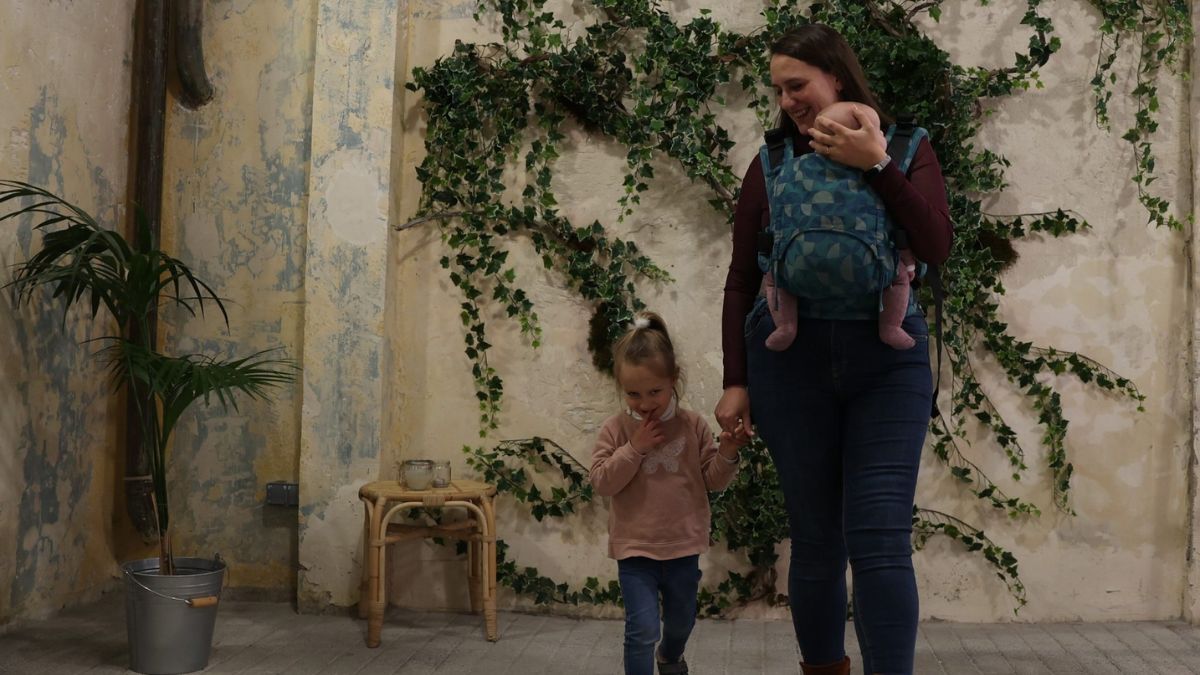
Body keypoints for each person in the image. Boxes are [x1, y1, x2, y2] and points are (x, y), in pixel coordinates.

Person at [715, 24, 953, 675]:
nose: (788, 100)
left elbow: (936, 244)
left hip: (888, 363)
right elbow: (741, 277)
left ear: (837, 76)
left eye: (797, 85)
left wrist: (875, 164)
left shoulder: (904, 146)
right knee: (816, 538)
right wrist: (736, 379)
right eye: (778, 90)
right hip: (788, 362)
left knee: (879, 537)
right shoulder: (771, 162)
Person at [590, 311, 747, 675]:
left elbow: (713, 480)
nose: (644, 403)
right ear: (620, 386)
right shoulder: (616, 429)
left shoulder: (692, 425)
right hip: (635, 549)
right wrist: (635, 448)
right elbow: (601, 481)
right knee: (642, 631)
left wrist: (727, 452)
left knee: (681, 622)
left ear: (673, 379)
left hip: (683, 547)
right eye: (633, 394)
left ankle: (670, 656)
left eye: (655, 392)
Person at [760, 100, 918, 352]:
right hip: (873, 272)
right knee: (899, 279)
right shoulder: (878, 175)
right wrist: (909, 262)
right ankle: (890, 327)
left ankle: (786, 326)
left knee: (773, 278)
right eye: (877, 131)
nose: (882, 135)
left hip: (795, 271)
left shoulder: (789, 169)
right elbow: (898, 228)